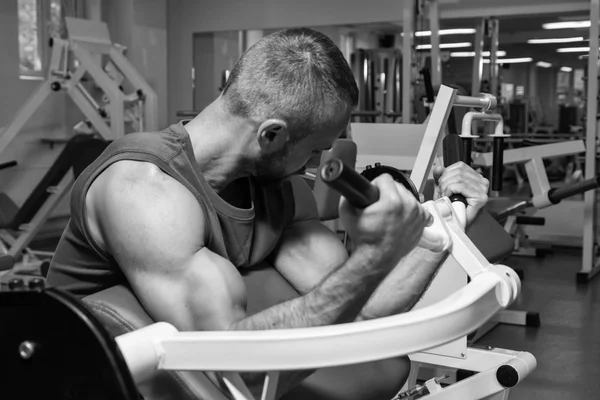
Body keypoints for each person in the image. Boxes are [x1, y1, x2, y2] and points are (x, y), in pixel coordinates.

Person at [46, 28, 489, 399]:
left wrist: (440, 234)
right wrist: (374, 254)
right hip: (91, 376)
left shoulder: (276, 184)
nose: (317, 164)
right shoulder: (143, 190)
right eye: (314, 149)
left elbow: (364, 311)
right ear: (272, 135)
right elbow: (236, 369)